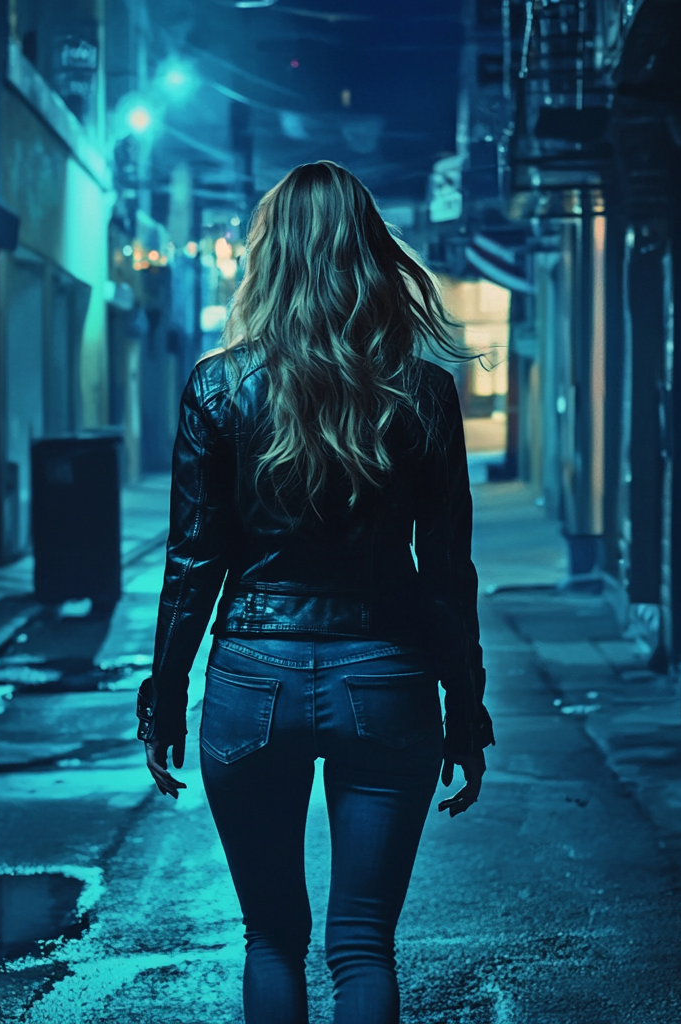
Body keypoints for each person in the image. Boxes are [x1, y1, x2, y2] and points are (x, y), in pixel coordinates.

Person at [137, 160, 494, 1024]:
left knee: (271, 939)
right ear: (371, 255)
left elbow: (193, 559)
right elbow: (446, 570)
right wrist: (465, 707)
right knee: (364, 943)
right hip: (387, 676)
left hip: (252, 678)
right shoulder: (424, 392)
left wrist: (167, 696)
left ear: (269, 258)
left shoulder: (219, 387)